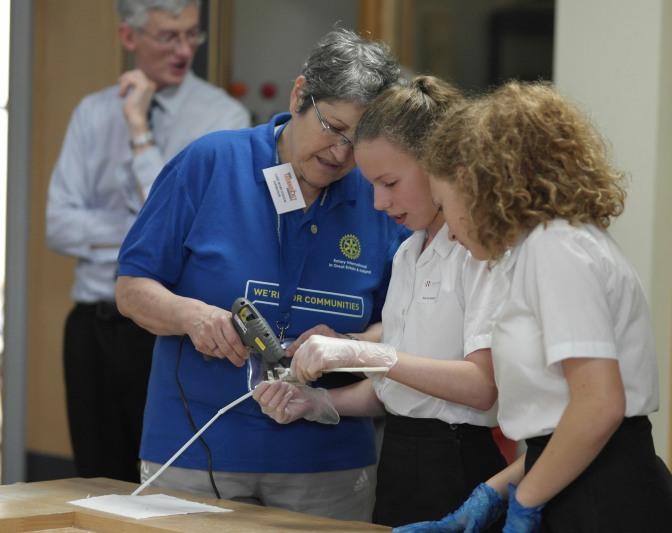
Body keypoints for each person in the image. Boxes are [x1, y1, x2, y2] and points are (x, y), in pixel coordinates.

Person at [115, 28, 406, 521]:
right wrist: (190, 315)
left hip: (327, 462)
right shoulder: (210, 163)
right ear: (299, 96)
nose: (341, 154)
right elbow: (132, 288)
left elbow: (404, 324)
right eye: (333, 128)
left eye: (358, 142)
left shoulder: (378, 196)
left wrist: (351, 341)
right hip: (198, 449)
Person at [398, 81, 672, 532]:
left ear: (479, 187)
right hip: (574, 480)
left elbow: (599, 407)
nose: (450, 232)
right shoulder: (542, 249)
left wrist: (526, 502)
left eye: (443, 205)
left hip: (604, 500)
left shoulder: (557, 249)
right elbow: (557, 423)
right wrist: (492, 494)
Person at [253, 76, 508, 529]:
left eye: (389, 182)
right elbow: (403, 390)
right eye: (370, 184)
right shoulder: (409, 252)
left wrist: (361, 351)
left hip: (461, 460)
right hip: (400, 458)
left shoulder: (478, 250)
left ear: (439, 164)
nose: (377, 202)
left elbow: (481, 386)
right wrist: (317, 403)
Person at [45, 0, 249, 482]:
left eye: (191, 35)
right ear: (129, 37)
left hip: (166, 329)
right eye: (167, 37)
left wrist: (139, 132)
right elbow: (58, 224)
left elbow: (192, 233)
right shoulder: (92, 113)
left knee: (158, 481)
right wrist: (144, 235)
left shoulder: (223, 118)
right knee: (93, 476)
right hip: (92, 324)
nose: (183, 50)